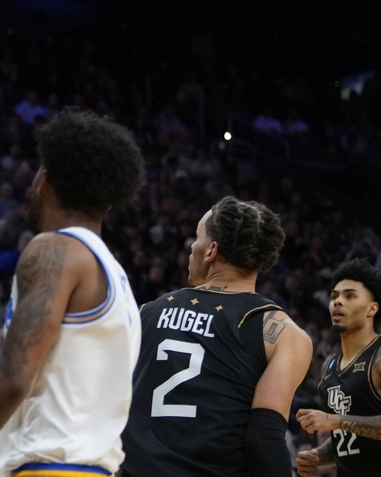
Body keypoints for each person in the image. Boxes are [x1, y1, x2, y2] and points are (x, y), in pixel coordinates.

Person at [0, 110, 146, 477]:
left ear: (44, 182)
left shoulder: (54, 250)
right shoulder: (116, 277)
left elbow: (11, 382)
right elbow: (38, 398)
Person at [121, 196, 313, 477]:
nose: (191, 247)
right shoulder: (283, 332)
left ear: (211, 250)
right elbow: (264, 439)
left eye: (197, 237)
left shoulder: (146, 312)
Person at [296, 259, 381, 477]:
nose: (337, 302)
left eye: (350, 296)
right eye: (334, 296)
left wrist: (335, 420)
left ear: (372, 308)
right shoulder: (329, 366)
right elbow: (347, 437)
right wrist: (319, 455)